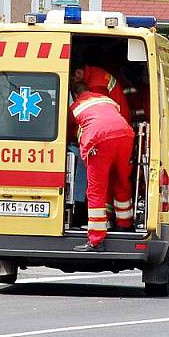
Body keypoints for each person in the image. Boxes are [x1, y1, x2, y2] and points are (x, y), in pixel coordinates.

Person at [68, 82, 135, 251]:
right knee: (121, 180)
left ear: (76, 95)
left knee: (96, 189)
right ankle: (125, 224)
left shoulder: (76, 106)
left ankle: (96, 240)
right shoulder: (107, 100)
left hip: (98, 140)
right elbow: (121, 115)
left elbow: (68, 132)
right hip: (125, 135)